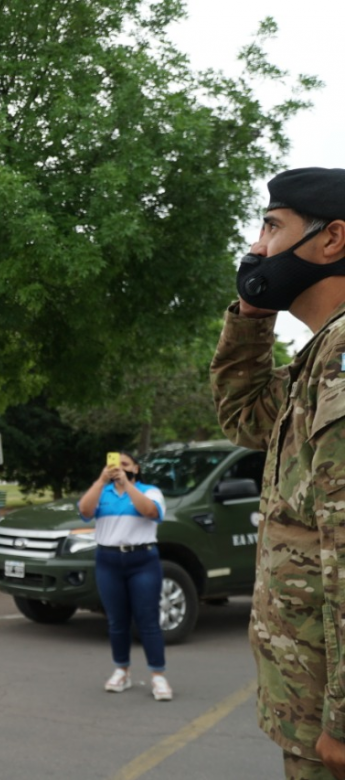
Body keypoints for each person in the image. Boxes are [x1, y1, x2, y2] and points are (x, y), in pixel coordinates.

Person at [211, 167, 345, 780]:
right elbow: (246, 418)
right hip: (306, 706)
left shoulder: (342, 360)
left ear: (332, 239)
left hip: (329, 721)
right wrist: (250, 310)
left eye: (271, 226)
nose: (257, 247)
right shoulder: (320, 354)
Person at [77, 451, 170, 701]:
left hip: (142, 560)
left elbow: (150, 512)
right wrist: (100, 481)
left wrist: (126, 485)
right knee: (116, 621)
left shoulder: (150, 491)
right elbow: (85, 510)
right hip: (108, 561)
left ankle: (158, 676)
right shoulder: (102, 492)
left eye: (125, 465)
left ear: (136, 469)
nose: (119, 469)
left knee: (147, 620)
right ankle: (122, 670)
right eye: (114, 465)